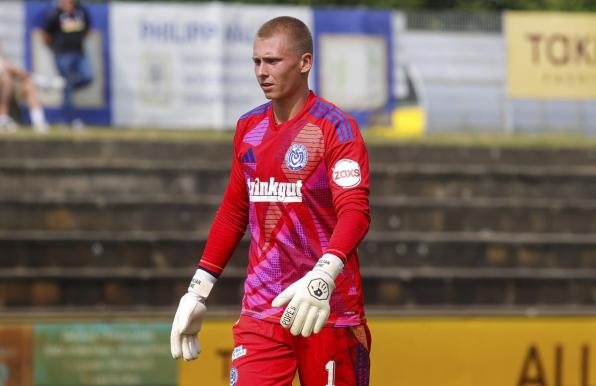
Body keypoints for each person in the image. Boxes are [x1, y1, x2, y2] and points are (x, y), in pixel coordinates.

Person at [170, 16, 371, 386]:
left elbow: (355, 212)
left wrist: (323, 275)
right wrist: (197, 290)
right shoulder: (249, 128)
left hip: (329, 309)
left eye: (273, 61)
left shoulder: (336, 128)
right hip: (263, 309)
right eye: (256, 62)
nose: (262, 72)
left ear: (305, 63)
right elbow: (234, 212)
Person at [41, 0, 93, 127]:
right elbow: (45, 34)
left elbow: (88, 28)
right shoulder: (55, 13)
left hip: (79, 52)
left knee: (88, 77)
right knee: (67, 88)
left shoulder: (81, 10)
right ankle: (71, 120)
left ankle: (64, 87)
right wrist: (55, 48)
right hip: (63, 54)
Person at [0, 54, 52, 133]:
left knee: (28, 85)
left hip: (9, 90)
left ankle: (39, 122)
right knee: (7, 78)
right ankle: (3, 117)